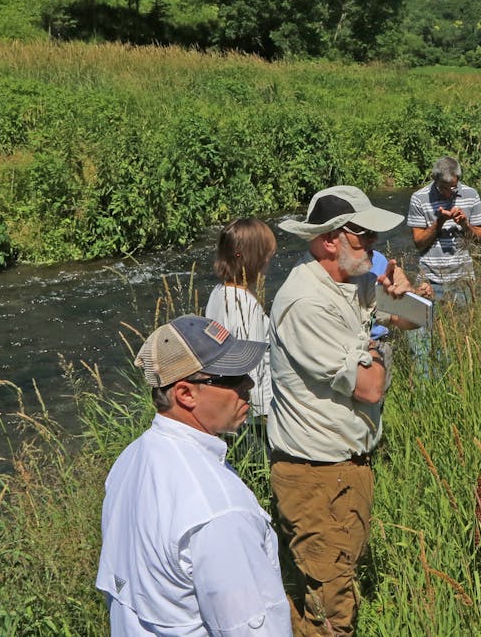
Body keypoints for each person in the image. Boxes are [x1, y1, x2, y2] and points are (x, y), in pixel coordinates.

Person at [269, 185, 410, 636]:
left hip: (345, 467)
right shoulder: (307, 302)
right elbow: (370, 388)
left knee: (336, 582)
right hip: (316, 475)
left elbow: (416, 319)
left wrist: (401, 295)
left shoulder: (350, 279)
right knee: (331, 611)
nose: (374, 244)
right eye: (363, 235)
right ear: (330, 240)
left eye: (372, 235)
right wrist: (381, 342)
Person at [97, 314, 291, 636]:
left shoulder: (129, 461)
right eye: (231, 376)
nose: (249, 384)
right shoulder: (220, 512)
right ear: (186, 394)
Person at [205, 218, 277, 422]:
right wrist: (254, 411)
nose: (268, 264)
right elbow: (252, 365)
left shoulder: (219, 292)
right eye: (266, 257)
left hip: (231, 401)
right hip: (258, 408)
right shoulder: (247, 305)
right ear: (250, 257)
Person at [406, 155, 481, 304]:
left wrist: (465, 225)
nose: (449, 192)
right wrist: (439, 222)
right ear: (434, 179)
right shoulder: (419, 198)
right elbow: (419, 243)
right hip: (429, 279)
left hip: (463, 279)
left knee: (465, 326)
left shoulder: (471, 195)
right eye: (443, 187)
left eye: (453, 187)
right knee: (424, 325)